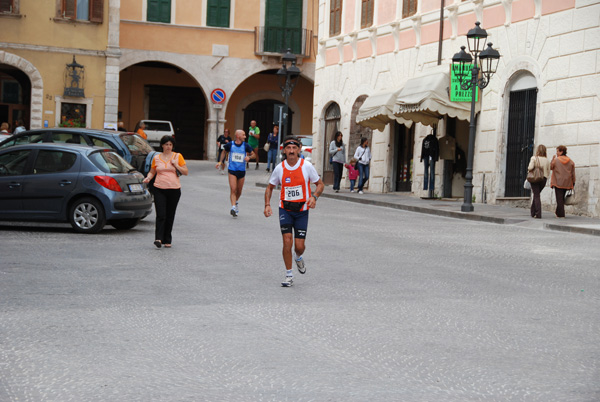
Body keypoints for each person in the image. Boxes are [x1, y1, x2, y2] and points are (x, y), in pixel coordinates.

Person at [264, 136, 324, 287]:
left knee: (299, 246)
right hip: (285, 209)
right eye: (288, 148)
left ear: (298, 150)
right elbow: (270, 187)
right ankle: (289, 275)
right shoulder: (280, 168)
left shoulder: (307, 166)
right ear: (284, 150)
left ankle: (298, 257)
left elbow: (320, 184)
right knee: (286, 241)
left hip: (302, 211)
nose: (291, 151)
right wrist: (267, 205)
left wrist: (314, 197)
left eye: (294, 148)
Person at [142, 135, 188, 248]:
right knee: (161, 214)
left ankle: (167, 239)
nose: (168, 147)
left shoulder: (178, 156)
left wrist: (176, 165)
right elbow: (152, 171)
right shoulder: (157, 158)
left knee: (170, 215)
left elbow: (185, 171)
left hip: (174, 189)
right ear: (162, 145)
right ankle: (158, 238)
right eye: (166, 144)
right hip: (159, 188)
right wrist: (148, 178)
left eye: (170, 145)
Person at [216, 129, 255, 217]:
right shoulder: (230, 144)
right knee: (233, 189)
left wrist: (249, 157)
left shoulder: (246, 145)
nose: (245, 136)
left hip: (241, 171)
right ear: (238, 136)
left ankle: (236, 202)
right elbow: (223, 152)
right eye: (243, 135)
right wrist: (220, 162)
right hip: (232, 170)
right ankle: (233, 207)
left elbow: (254, 154)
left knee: (239, 191)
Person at [550, 145, 576, 218]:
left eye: (557, 151)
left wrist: (552, 159)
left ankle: (561, 214)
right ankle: (558, 212)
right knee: (561, 198)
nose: (556, 153)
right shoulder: (570, 161)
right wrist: (573, 182)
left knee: (559, 199)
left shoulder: (556, 160)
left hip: (558, 182)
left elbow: (551, 167)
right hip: (567, 182)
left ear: (561, 151)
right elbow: (573, 173)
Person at [528, 144, 551, 219]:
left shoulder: (534, 158)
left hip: (535, 178)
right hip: (543, 179)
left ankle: (538, 214)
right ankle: (532, 212)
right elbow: (548, 171)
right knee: (536, 194)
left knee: (536, 195)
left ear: (537, 150)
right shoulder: (547, 160)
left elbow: (530, 167)